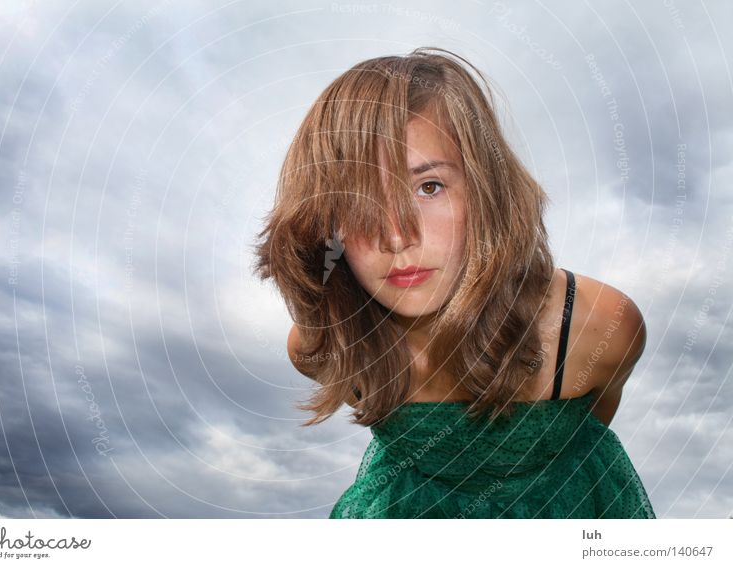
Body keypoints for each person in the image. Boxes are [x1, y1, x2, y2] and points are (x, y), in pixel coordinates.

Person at [252, 46, 656, 518]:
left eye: (429, 187)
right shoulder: (325, 343)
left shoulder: (599, 324)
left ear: (488, 192)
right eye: (357, 203)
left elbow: (594, 417)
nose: (397, 236)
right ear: (325, 225)